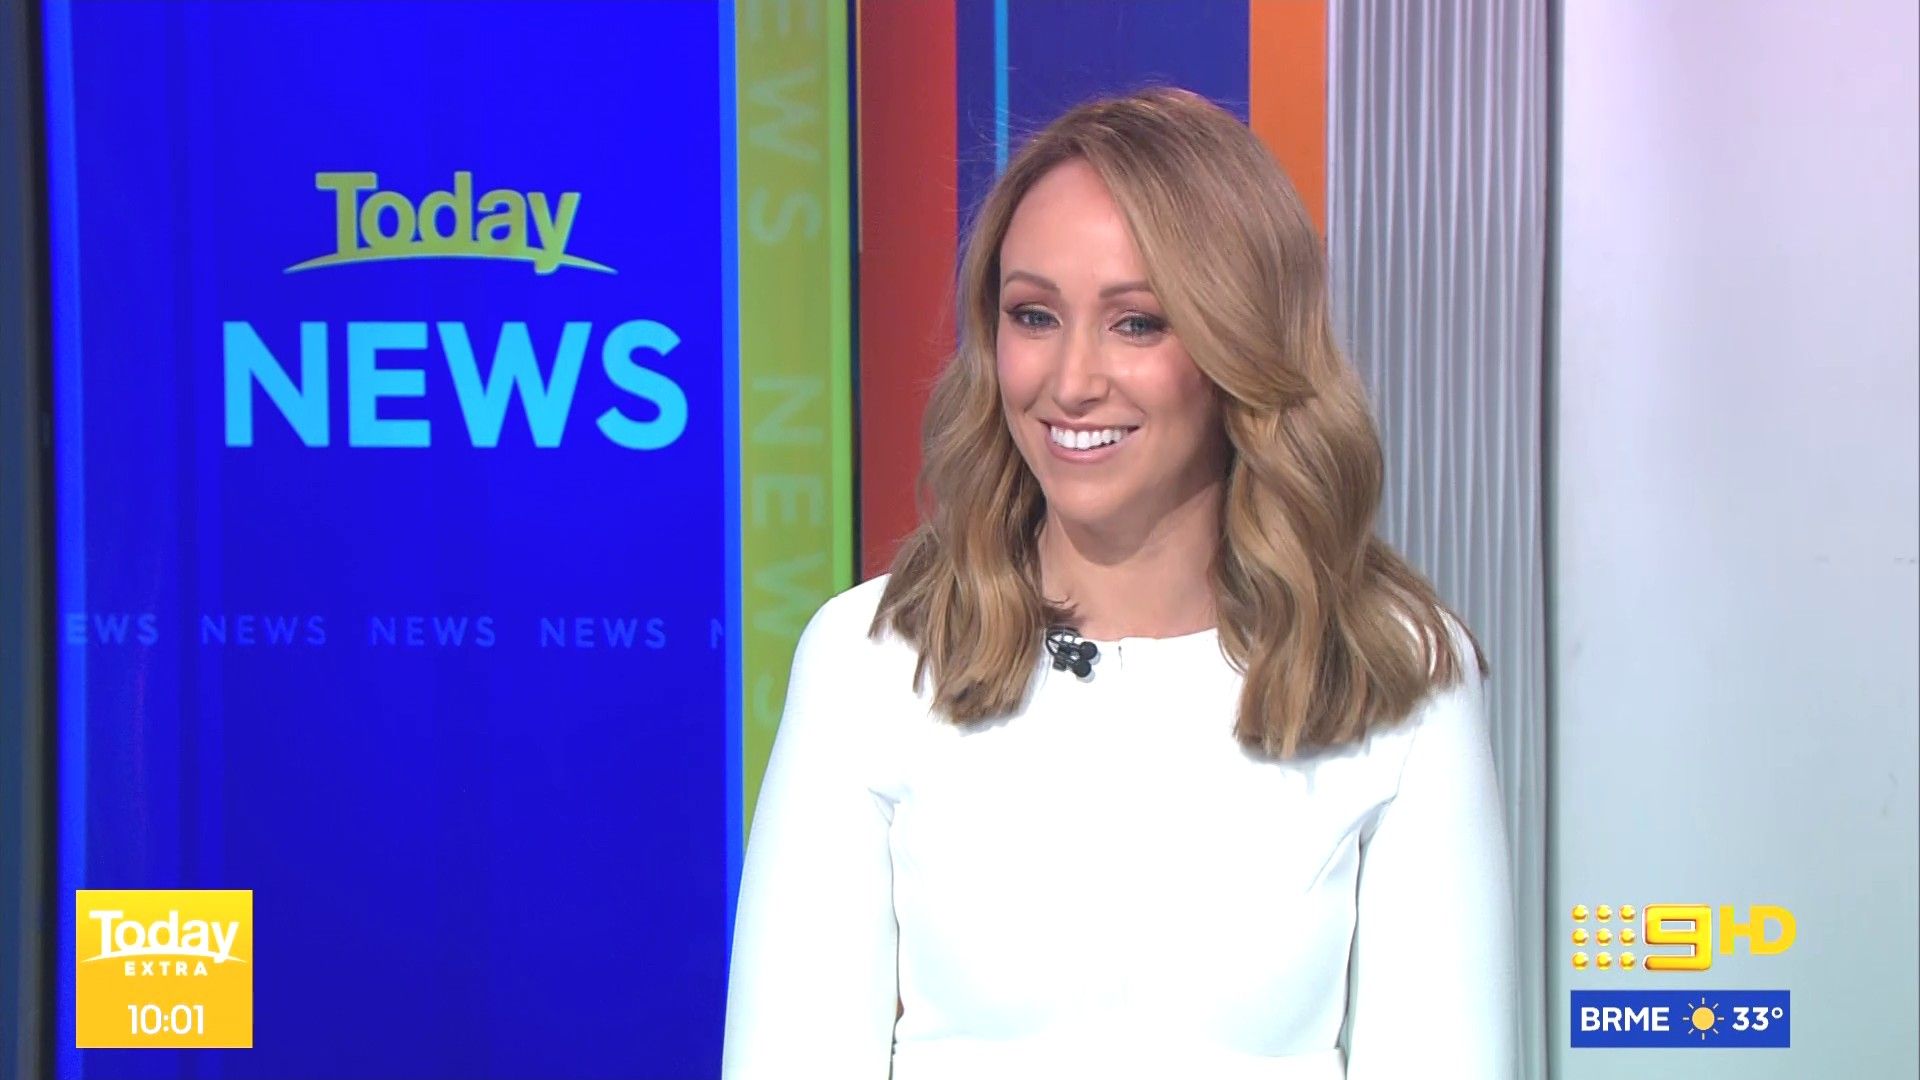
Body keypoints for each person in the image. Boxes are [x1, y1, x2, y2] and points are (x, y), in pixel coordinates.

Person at [721, 87, 1517, 1080]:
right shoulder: (872, 658)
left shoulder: (1396, 670)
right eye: (1033, 315)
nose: (1070, 381)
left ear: (1241, 342)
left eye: (1137, 323)